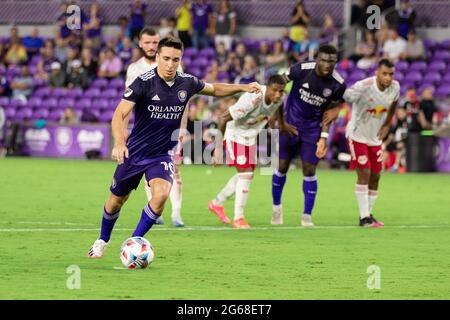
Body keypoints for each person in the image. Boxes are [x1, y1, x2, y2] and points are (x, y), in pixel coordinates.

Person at [87, 36, 261, 258]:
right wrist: (120, 143)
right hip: (135, 152)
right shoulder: (143, 82)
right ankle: (102, 239)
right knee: (116, 201)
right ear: (157, 57)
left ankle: (133, 242)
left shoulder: (186, 82)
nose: (170, 64)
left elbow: (215, 89)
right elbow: (119, 114)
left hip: (162, 155)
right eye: (166, 58)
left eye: (175, 60)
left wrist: (243, 87)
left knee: (160, 196)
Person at [208, 75, 297, 228]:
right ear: (267, 87)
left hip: (250, 136)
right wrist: (218, 149)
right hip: (234, 134)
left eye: (280, 91)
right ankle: (238, 218)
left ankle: (217, 203)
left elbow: (279, 107)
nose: (277, 95)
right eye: (274, 91)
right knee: (246, 174)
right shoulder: (253, 99)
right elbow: (223, 119)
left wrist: (283, 124)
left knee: (244, 175)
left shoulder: (280, 98)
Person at [271, 44, 346, 227]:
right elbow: (276, 87)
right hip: (290, 126)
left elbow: (330, 112)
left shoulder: (338, 84)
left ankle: (306, 216)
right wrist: (280, 122)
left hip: (312, 131)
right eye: (324, 60)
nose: (327, 64)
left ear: (336, 62)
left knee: (309, 170)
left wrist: (323, 137)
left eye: (331, 61)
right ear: (317, 58)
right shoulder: (300, 69)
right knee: (281, 167)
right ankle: (276, 209)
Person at [125, 27, 185, 227]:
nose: (151, 46)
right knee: (146, 169)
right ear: (140, 44)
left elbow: (184, 98)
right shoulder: (134, 69)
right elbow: (126, 103)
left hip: (170, 128)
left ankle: (176, 213)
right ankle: (155, 210)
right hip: (145, 130)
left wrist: (182, 128)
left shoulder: (174, 65)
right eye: (147, 43)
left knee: (174, 169)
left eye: (154, 42)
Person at [344, 59, 400, 227]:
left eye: (391, 74)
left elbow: (395, 102)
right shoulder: (364, 85)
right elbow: (344, 96)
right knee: (365, 173)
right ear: (377, 72)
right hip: (357, 135)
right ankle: (363, 218)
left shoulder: (395, 87)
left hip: (375, 138)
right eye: (385, 73)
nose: (388, 78)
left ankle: (368, 213)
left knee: (376, 175)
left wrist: (388, 123)